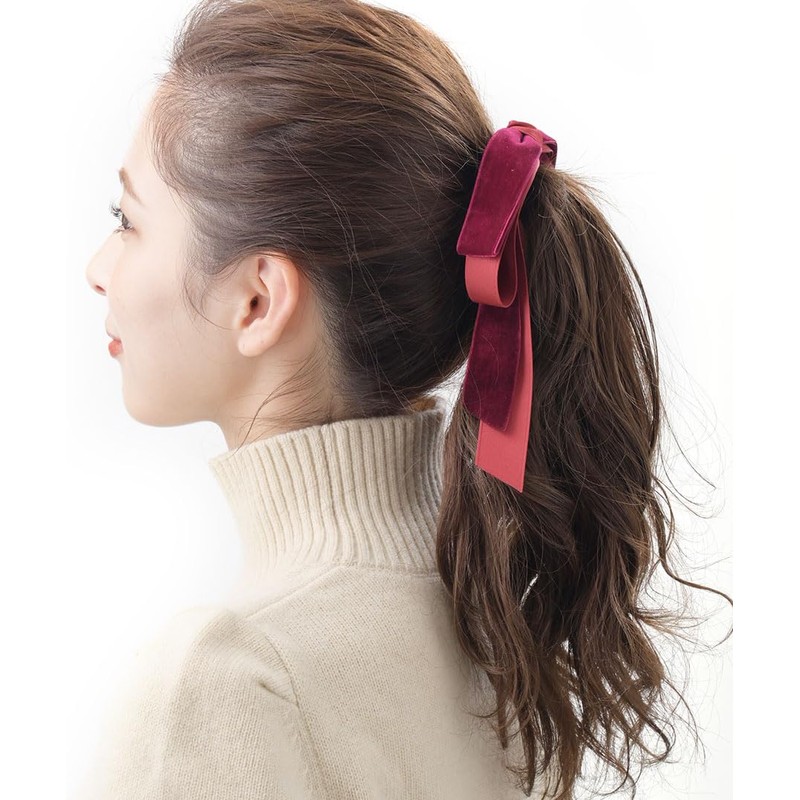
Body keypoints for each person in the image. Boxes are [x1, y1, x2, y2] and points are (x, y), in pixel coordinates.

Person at [78, 1, 732, 798]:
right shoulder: (500, 631)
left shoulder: (219, 689)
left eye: (127, 221)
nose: (97, 269)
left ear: (258, 301)